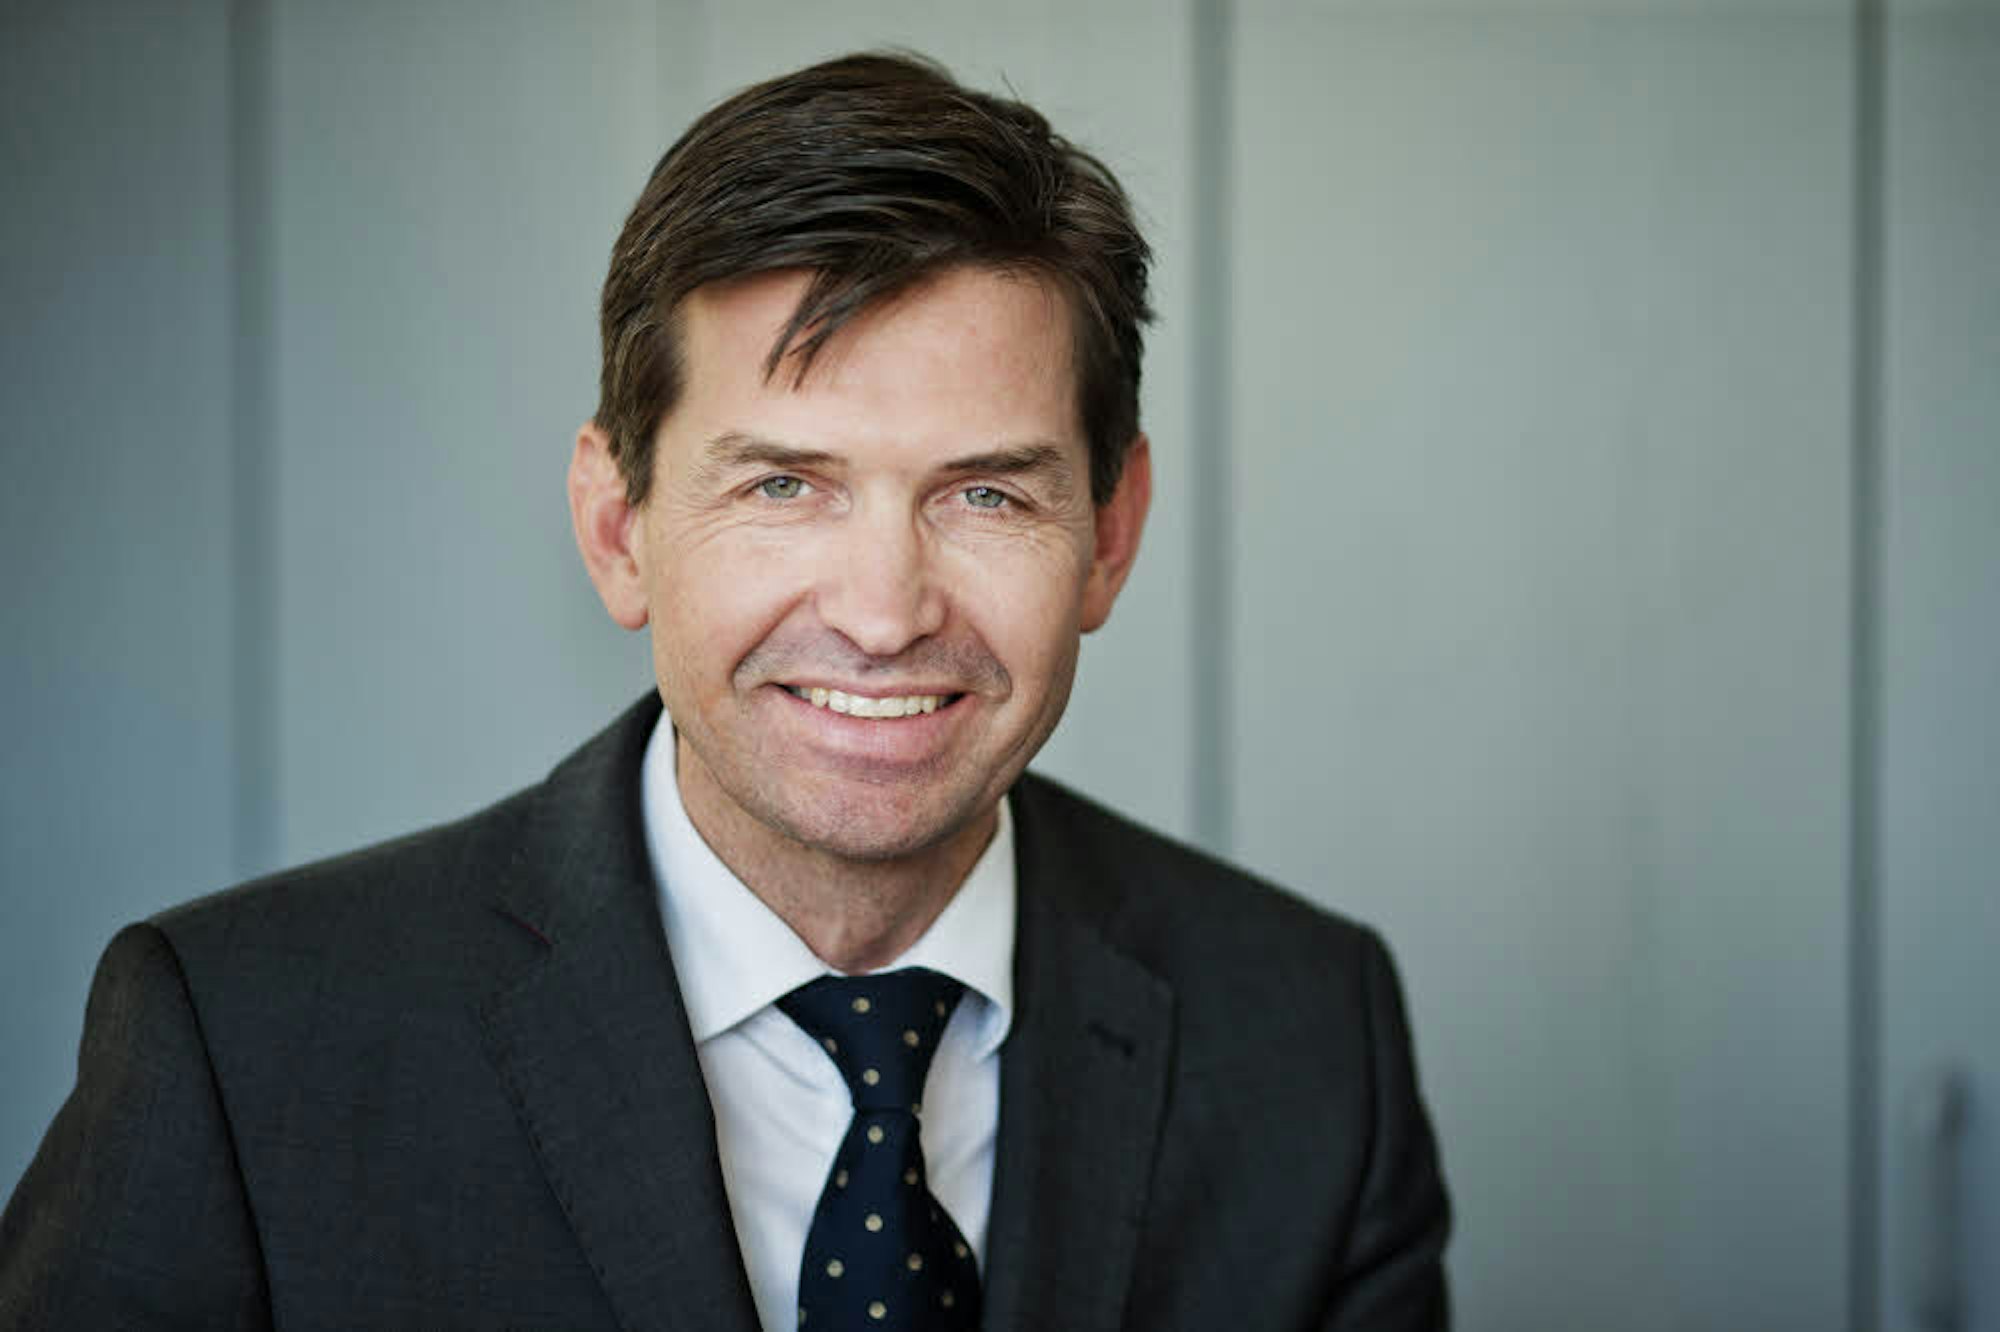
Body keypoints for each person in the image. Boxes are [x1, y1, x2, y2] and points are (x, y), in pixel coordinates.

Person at [0, 51, 1449, 1331]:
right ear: (617, 525)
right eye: (782, 486)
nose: (884, 613)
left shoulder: (1311, 1041)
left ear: (1110, 536)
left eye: (987, 496)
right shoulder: (245, 1048)